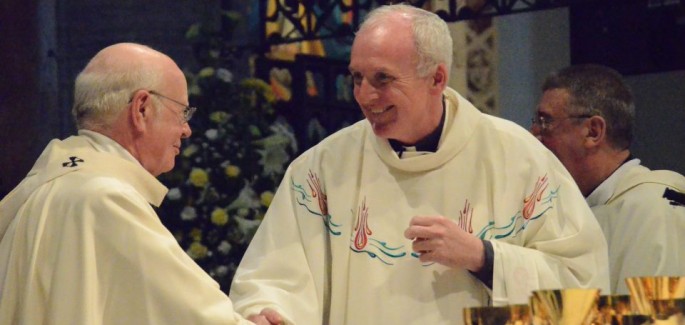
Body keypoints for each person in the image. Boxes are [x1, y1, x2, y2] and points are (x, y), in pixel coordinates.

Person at [229, 4, 609, 324]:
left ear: (437, 78)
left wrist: (484, 257)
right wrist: (270, 312)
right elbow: (272, 277)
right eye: (357, 78)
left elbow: (584, 288)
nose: (364, 95)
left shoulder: (519, 159)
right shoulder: (320, 171)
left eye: (382, 79)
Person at [0, 43, 252, 324]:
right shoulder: (108, 200)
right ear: (141, 109)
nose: (186, 129)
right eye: (182, 112)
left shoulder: (35, 189)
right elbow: (196, 316)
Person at [532, 64, 685, 295]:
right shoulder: (570, 211)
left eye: (546, 122)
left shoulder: (658, 206)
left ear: (593, 131)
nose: (534, 133)